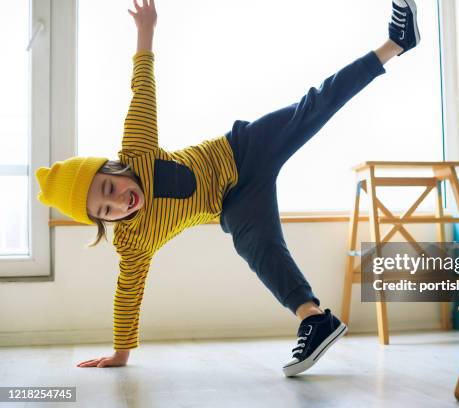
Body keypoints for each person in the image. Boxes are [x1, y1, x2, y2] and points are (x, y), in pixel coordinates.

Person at [35, 0, 420, 376]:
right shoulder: (134, 240)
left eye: (108, 186)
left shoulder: (137, 150)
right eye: (106, 210)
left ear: (113, 168)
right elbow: (127, 292)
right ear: (104, 221)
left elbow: (142, 88)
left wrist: (145, 31)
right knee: (259, 249)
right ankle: (315, 320)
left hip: (243, 148)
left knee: (314, 105)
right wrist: (121, 352)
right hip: (235, 202)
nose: (118, 201)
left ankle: (396, 42)